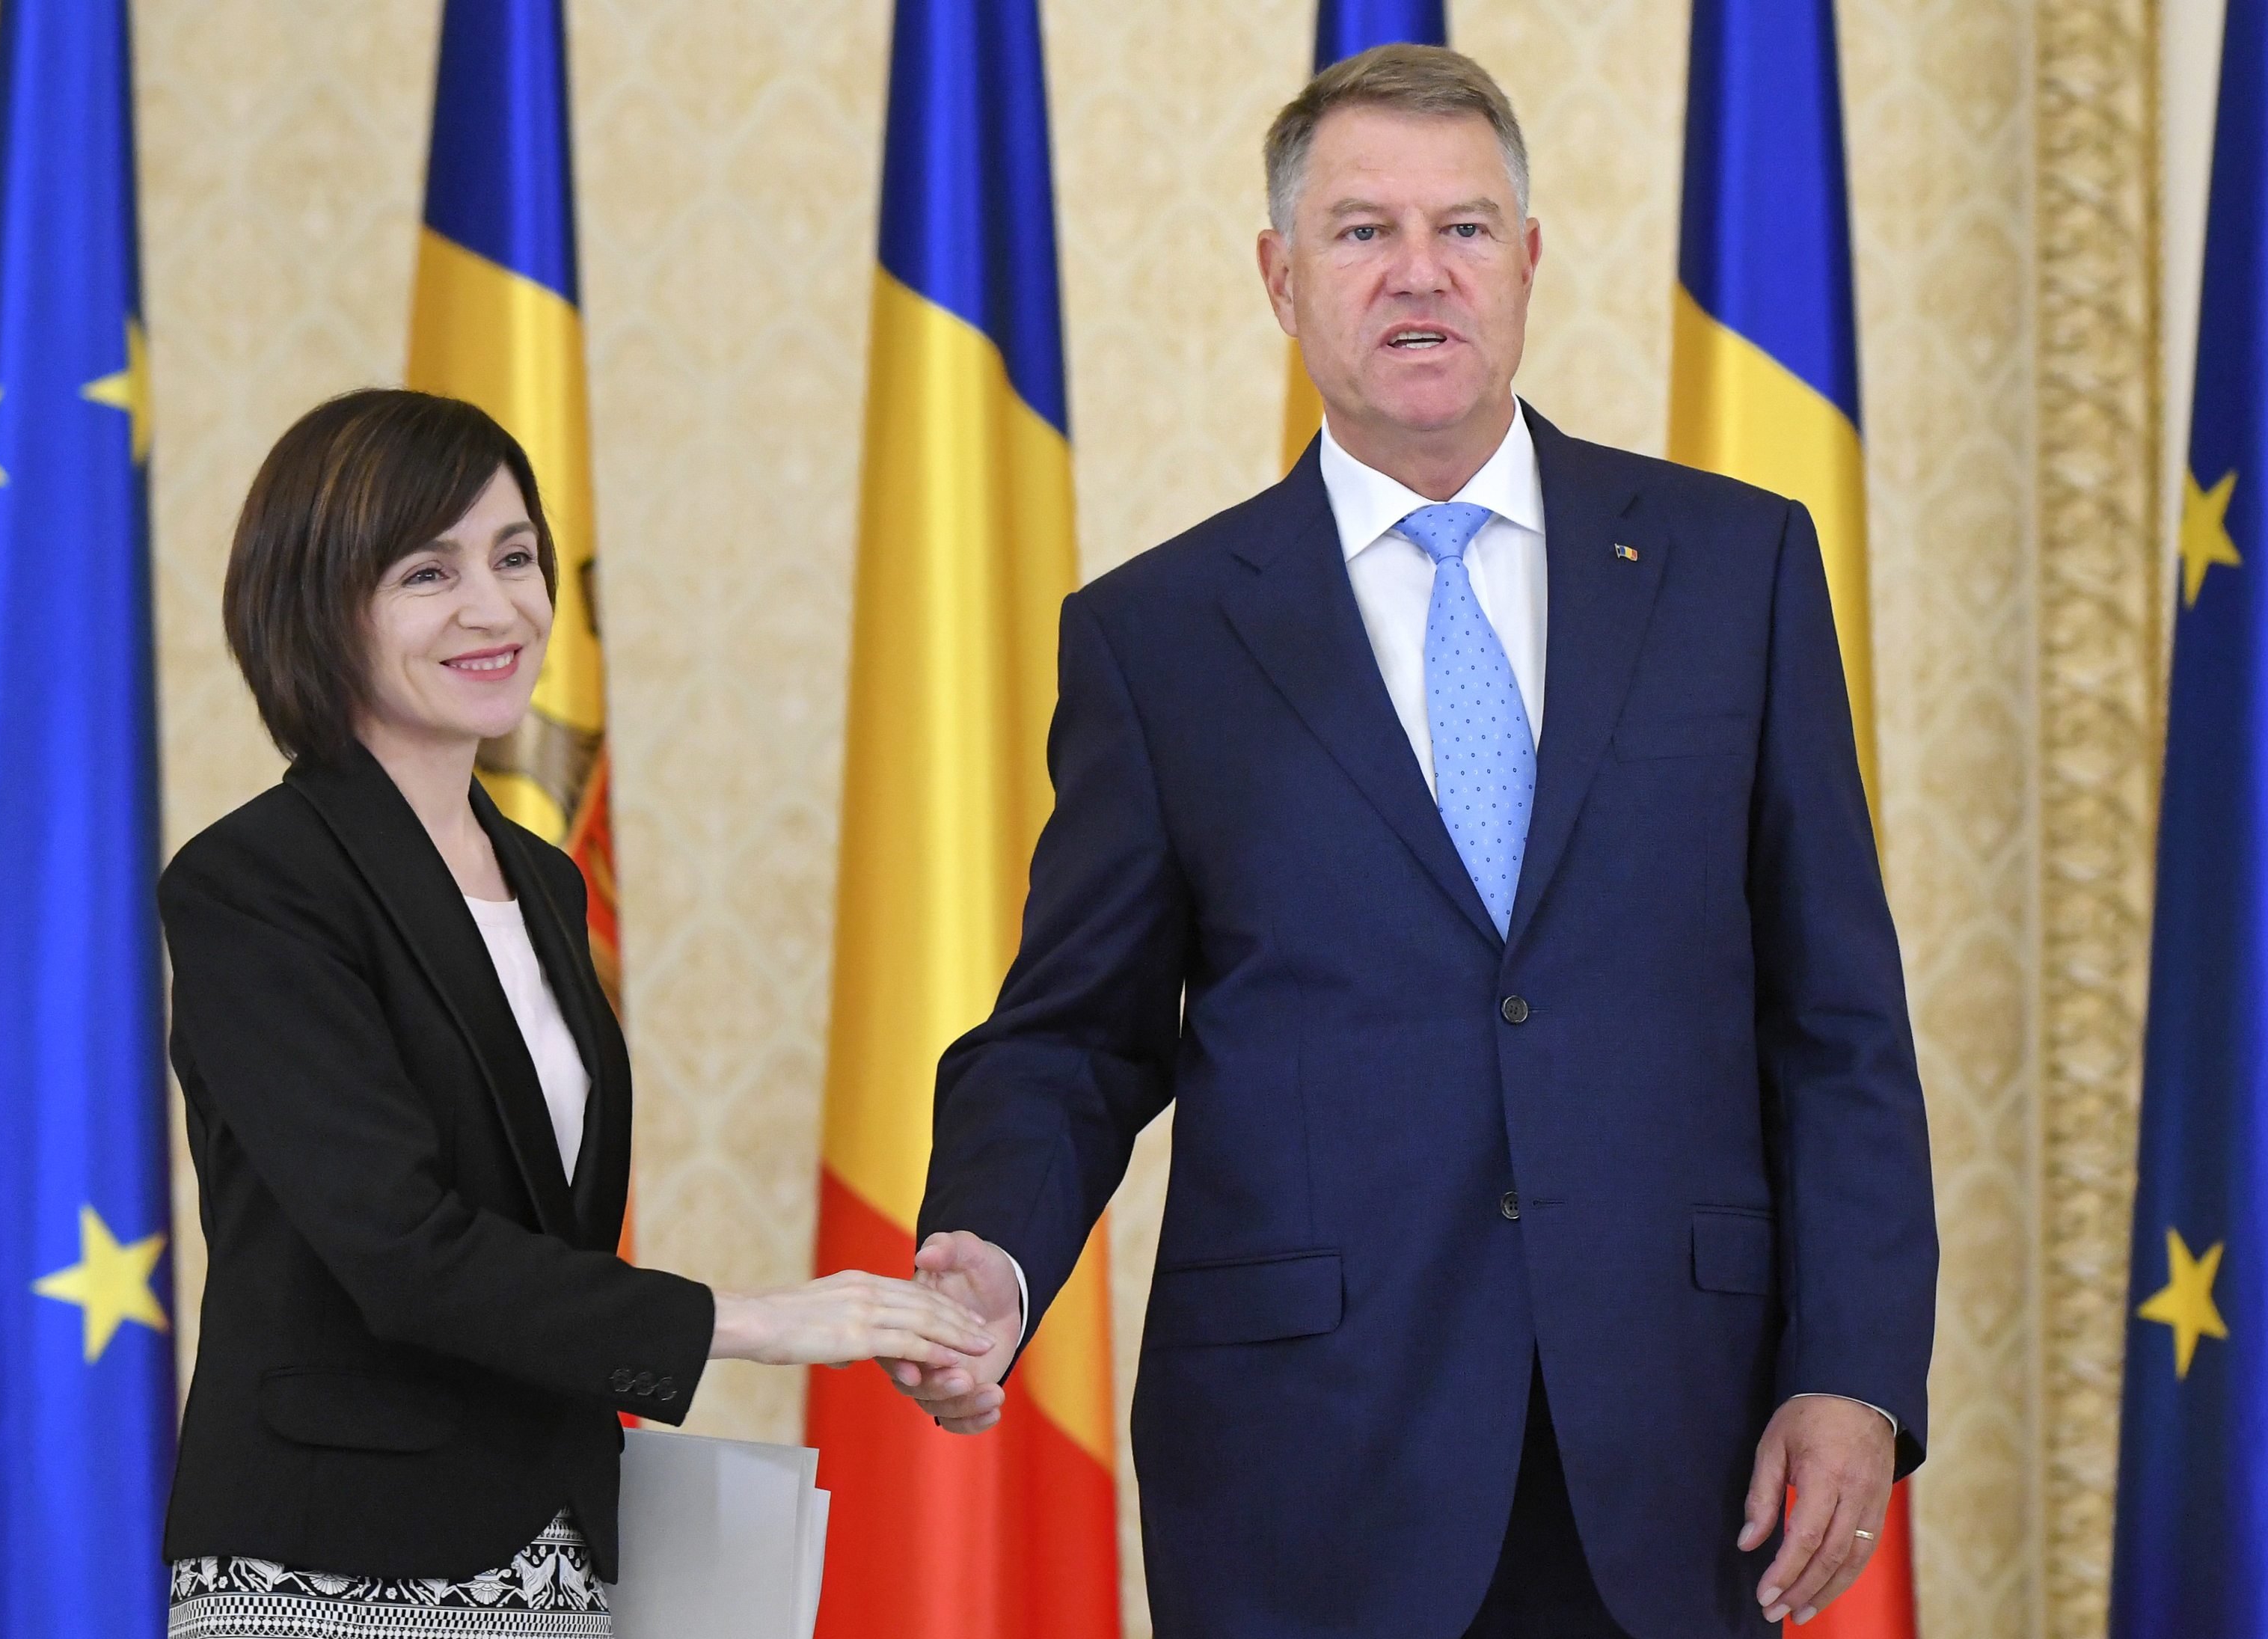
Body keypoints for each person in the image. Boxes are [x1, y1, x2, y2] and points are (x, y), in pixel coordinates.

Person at [888, 44, 1936, 1639]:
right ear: (1280, 277)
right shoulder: (1158, 637)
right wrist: (993, 1247)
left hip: (1679, 1445)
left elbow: (1836, 1016)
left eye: (1463, 228)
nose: (1419, 272)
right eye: (1364, 231)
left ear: (1527, 261)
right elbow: (1078, 1033)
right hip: (1308, 1466)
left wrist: (1852, 1367)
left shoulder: (1736, 569)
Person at [159, 390, 992, 1638]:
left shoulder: (545, 882)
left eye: (515, 557)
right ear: (319, 605)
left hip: (557, 1557)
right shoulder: (253, 883)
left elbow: (541, 1231)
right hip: (334, 1569)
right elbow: (401, 1253)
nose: (496, 607)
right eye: (428, 573)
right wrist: (752, 1322)